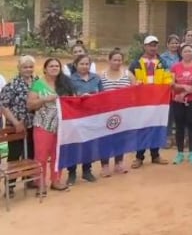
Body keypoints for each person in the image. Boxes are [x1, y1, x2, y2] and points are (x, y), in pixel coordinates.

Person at [26, 58, 73, 194]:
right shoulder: (38, 84)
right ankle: (40, 183)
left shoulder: (64, 83)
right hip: (43, 125)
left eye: (57, 66)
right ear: (45, 69)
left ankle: (56, 180)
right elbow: (30, 105)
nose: (54, 68)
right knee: (41, 155)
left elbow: (73, 100)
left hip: (61, 126)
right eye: (51, 66)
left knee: (58, 155)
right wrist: (44, 99)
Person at [128, 35, 171, 168]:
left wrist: (165, 89)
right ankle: (139, 157)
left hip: (158, 101)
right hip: (142, 102)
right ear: (145, 47)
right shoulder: (136, 63)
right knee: (142, 128)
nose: (153, 48)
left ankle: (155, 155)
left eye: (155, 45)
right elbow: (130, 79)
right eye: (150, 45)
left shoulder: (162, 62)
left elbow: (168, 79)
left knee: (155, 127)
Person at [0, 55, 36, 197]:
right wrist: (15, 122)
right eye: (25, 67)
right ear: (19, 68)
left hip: (34, 124)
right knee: (15, 155)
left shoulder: (37, 82)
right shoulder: (12, 84)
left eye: (30, 67)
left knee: (31, 153)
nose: (28, 69)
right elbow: (4, 105)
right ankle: (10, 186)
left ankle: (29, 180)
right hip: (16, 126)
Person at [67, 53, 103, 185]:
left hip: (92, 116)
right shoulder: (69, 80)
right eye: (81, 64)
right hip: (75, 117)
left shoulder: (96, 78)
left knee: (89, 144)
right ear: (75, 65)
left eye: (87, 64)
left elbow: (103, 95)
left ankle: (87, 171)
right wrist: (80, 97)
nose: (84, 66)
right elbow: (67, 98)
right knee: (74, 145)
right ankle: (71, 173)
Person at [99, 49, 133, 176]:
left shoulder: (128, 74)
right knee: (105, 139)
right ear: (109, 60)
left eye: (119, 60)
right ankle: (105, 165)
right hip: (106, 113)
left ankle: (119, 163)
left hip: (123, 113)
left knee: (120, 138)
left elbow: (135, 92)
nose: (117, 62)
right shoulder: (101, 75)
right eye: (115, 60)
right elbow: (97, 93)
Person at [169, 44, 192, 165]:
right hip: (177, 100)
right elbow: (172, 84)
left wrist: (188, 91)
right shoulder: (175, 67)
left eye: (190, 51)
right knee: (179, 126)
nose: (188, 53)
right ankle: (180, 153)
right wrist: (183, 87)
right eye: (185, 51)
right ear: (181, 53)